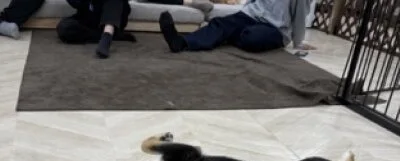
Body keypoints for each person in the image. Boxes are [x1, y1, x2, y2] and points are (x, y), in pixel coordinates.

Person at [159, 0, 316, 54]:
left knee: (252, 38)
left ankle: (231, 36)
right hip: (250, 15)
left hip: (275, 28)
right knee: (220, 23)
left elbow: (300, 15)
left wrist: (298, 41)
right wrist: (244, 12)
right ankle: (181, 42)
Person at [57, 0, 135, 58]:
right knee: (65, 28)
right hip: (90, 16)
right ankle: (110, 35)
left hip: (113, 14)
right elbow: (76, 3)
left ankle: (107, 35)